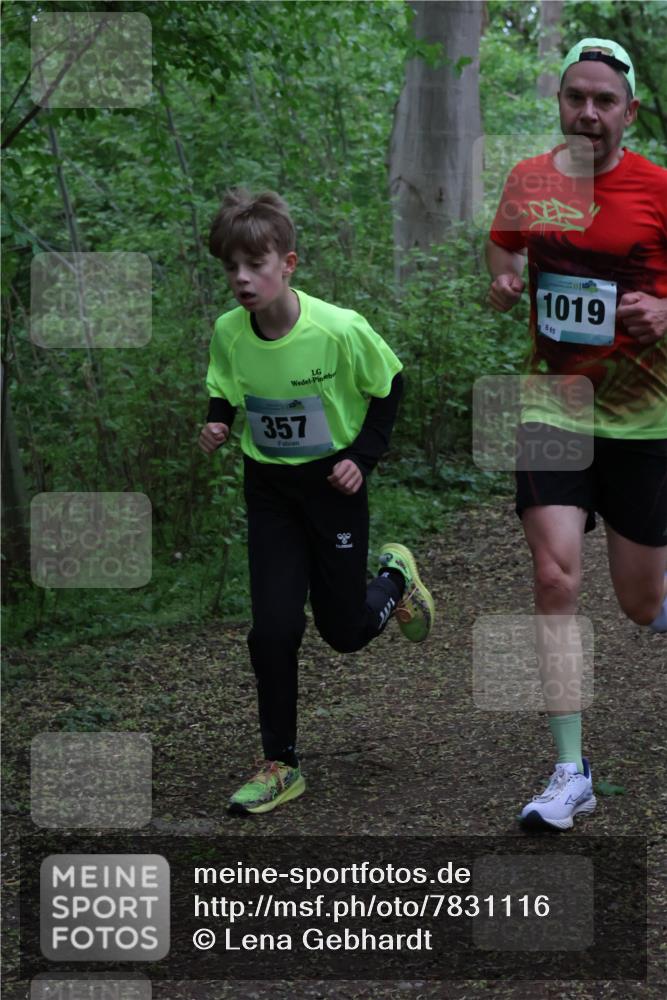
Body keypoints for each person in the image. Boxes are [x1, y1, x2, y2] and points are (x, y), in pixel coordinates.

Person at [200, 188, 435, 815]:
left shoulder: (338, 328)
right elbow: (226, 386)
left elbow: (389, 387)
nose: (243, 279)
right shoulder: (228, 331)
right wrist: (218, 422)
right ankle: (281, 763)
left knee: (346, 632)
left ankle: (394, 580)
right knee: (272, 629)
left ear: (289, 263)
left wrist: (362, 458)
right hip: (270, 488)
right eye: (231, 267)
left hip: (333, 486)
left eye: (256, 264)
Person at [486, 38, 667, 831]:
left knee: (638, 602)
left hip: (642, 417)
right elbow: (502, 243)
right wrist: (498, 274)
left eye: (603, 100)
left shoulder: (659, 188)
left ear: (629, 111)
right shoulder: (530, 180)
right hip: (551, 407)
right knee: (555, 577)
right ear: (559, 104)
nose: (586, 113)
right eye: (574, 97)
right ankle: (569, 770)